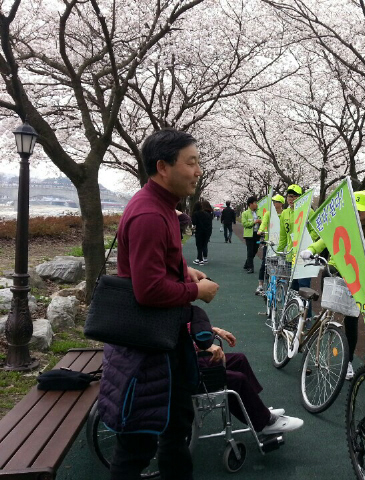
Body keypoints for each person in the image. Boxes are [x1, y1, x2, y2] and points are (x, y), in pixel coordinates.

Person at [97, 128, 219, 480]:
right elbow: (147, 291)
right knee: (139, 443)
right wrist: (197, 292)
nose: (198, 171)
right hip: (149, 348)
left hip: (164, 340)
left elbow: (152, 268)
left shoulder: (162, 207)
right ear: (163, 167)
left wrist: (185, 270)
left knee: (173, 429)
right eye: (191, 162)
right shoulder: (150, 214)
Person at [301, 191, 365, 380]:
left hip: (356, 279)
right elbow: (325, 240)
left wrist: (362, 265)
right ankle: (314, 352)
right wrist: (311, 250)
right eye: (354, 209)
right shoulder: (345, 223)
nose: (357, 213)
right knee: (326, 314)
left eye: (361, 210)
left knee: (352, 320)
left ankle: (347, 362)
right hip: (334, 271)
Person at [188, 306, 304, 434]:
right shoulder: (171, 305)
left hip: (191, 360)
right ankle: (264, 421)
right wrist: (200, 346)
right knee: (237, 379)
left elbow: (185, 328)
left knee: (239, 360)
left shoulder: (176, 304)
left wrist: (213, 330)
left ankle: (258, 408)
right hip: (186, 370)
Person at [277, 184, 319, 316]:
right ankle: (295, 317)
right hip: (291, 256)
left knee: (304, 288)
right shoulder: (284, 213)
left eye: (295, 196)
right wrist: (279, 252)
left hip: (305, 257)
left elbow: (316, 231)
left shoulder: (309, 211)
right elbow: (283, 235)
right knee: (293, 289)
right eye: (289, 195)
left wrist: (304, 240)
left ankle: (307, 318)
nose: (291, 198)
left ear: (301, 198)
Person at [255, 194, 285, 295]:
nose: (274, 203)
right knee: (265, 263)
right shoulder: (269, 213)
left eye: (276, 202)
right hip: (270, 243)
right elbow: (264, 223)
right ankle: (260, 285)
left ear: (281, 203)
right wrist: (260, 230)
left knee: (280, 265)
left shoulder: (284, 214)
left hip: (281, 243)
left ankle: (277, 284)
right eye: (273, 201)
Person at [241, 195, 262, 274]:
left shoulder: (259, 212)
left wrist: (261, 222)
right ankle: (250, 267)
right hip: (249, 235)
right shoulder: (245, 213)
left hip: (257, 234)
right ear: (250, 204)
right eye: (255, 203)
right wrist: (254, 222)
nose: (256, 204)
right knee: (250, 251)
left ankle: (247, 264)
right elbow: (245, 224)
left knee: (255, 250)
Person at [191, 201, 213, 265]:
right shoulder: (207, 214)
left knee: (199, 245)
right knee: (205, 244)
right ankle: (204, 258)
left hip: (199, 231)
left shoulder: (195, 213)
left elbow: (194, 223)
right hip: (207, 231)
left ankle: (199, 258)